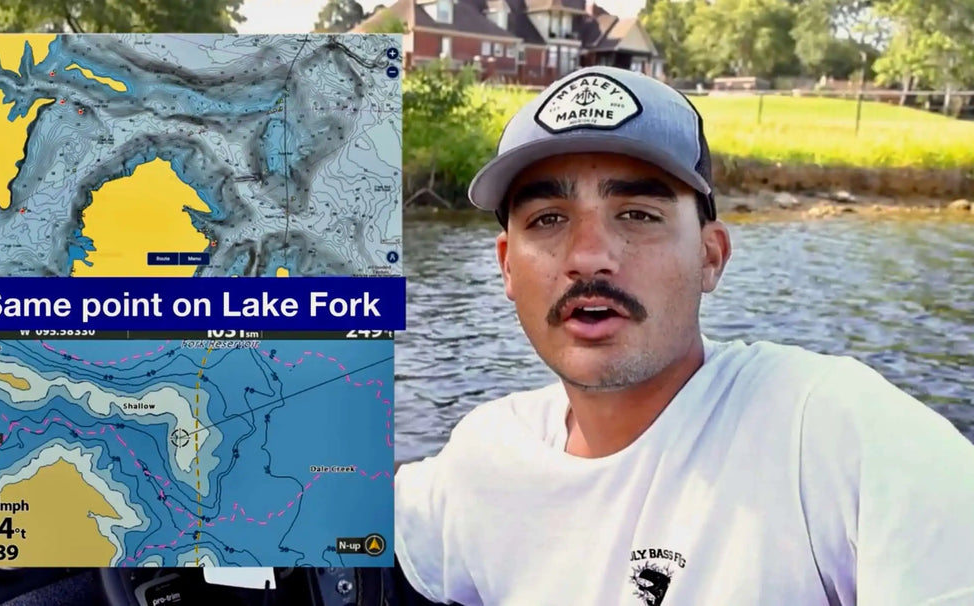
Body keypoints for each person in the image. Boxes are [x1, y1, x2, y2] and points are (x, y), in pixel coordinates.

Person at [392, 66, 974, 606]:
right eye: (548, 219)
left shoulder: (835, 433)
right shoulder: (485, 457)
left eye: (638, 214)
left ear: (711, 256)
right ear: (507, 268)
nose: (589, 256)